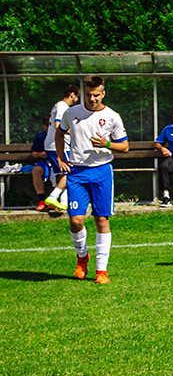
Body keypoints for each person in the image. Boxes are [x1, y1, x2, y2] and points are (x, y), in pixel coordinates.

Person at [56, 75, 129, 284]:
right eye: (88, 95)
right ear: (83, 93)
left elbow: (124, 146)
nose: (92, 98)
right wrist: (61, 158)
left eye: (96, 94)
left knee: (101, 219)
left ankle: (101, 271)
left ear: (103, 93)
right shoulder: (72, 113)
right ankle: (82, 257)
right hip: (77, 172)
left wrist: (106, 144)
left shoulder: (113, 116)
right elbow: (59, 133)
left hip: (102, 171)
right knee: (76, 220)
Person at [42, 84, 80, 212]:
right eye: (77, 97)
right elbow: (58, 126)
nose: (77, 101)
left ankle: (63, 202)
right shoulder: (62, 106)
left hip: (53, 144)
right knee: (70, 171)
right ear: (72, 95)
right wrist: (75, 132)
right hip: (57, 144)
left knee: (64, 173)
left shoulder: (59, 106)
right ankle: (53, 196)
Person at [30, 116, 59, 211]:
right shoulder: (40, 137)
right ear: (44, 127)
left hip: (58, 161)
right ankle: (41, 200)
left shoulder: (61, 134)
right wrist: (39, 154)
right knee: (36, 170)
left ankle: (57, 199)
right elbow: (33, 153)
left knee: (62, 171)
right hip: (45, 162)